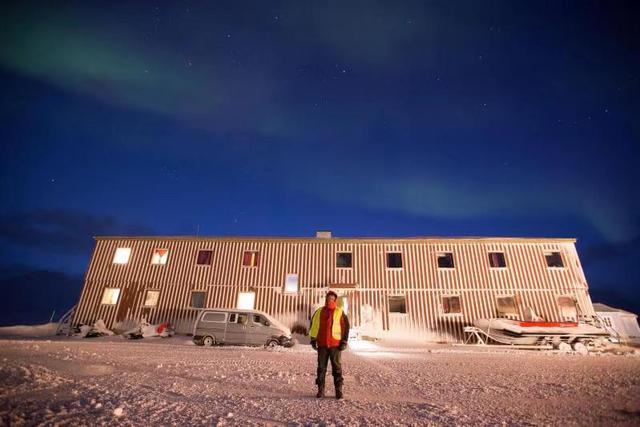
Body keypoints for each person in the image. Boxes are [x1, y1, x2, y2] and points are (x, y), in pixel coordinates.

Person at [309, 290, 350, 399]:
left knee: (337, 368)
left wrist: (344, 341)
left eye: (332, 299)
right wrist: (313, 339)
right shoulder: (319, 311)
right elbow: (313, 326)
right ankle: (320, 390)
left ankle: (338, 390)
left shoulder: (339, 312)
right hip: (322, 344)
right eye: (328, 298)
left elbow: (346, 327)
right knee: (321, 368)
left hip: (335, 345)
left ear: (335, 300)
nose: (329, 300)